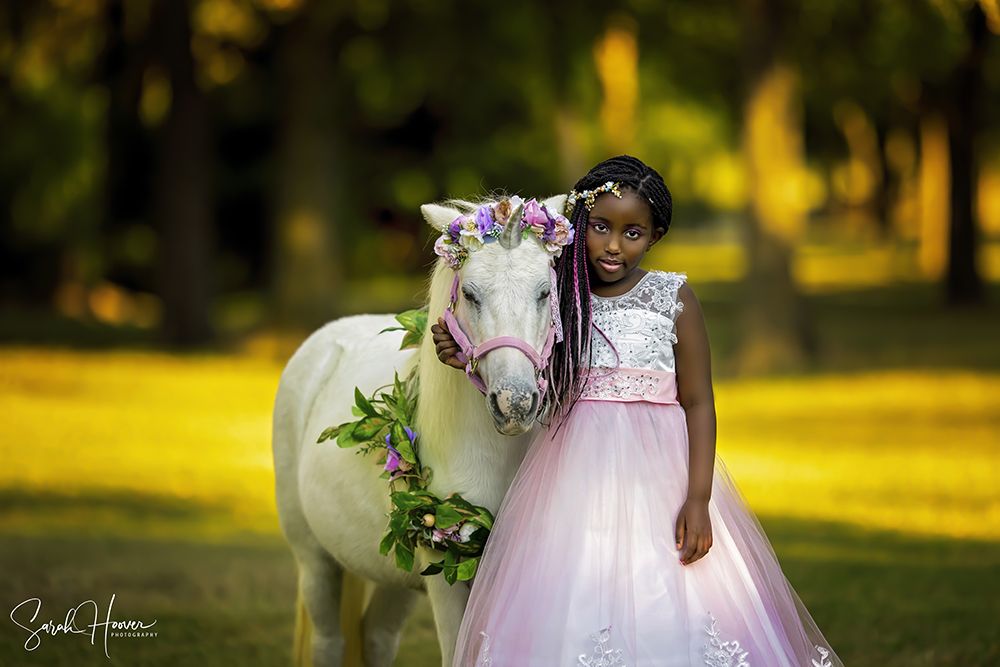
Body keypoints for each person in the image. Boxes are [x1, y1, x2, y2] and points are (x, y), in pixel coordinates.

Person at [431, 156, 843, 667]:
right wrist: (463, 354)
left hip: (659, 481)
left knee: (670, 594)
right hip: (570, 481)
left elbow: (698, 401)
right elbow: (521, 354)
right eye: (600, 227)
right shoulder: (561, 298)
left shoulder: (672, 298)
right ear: (578, 224)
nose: (612, 244)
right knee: (574, 593)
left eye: (633, 232)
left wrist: (698, 498)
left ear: (655, 236)